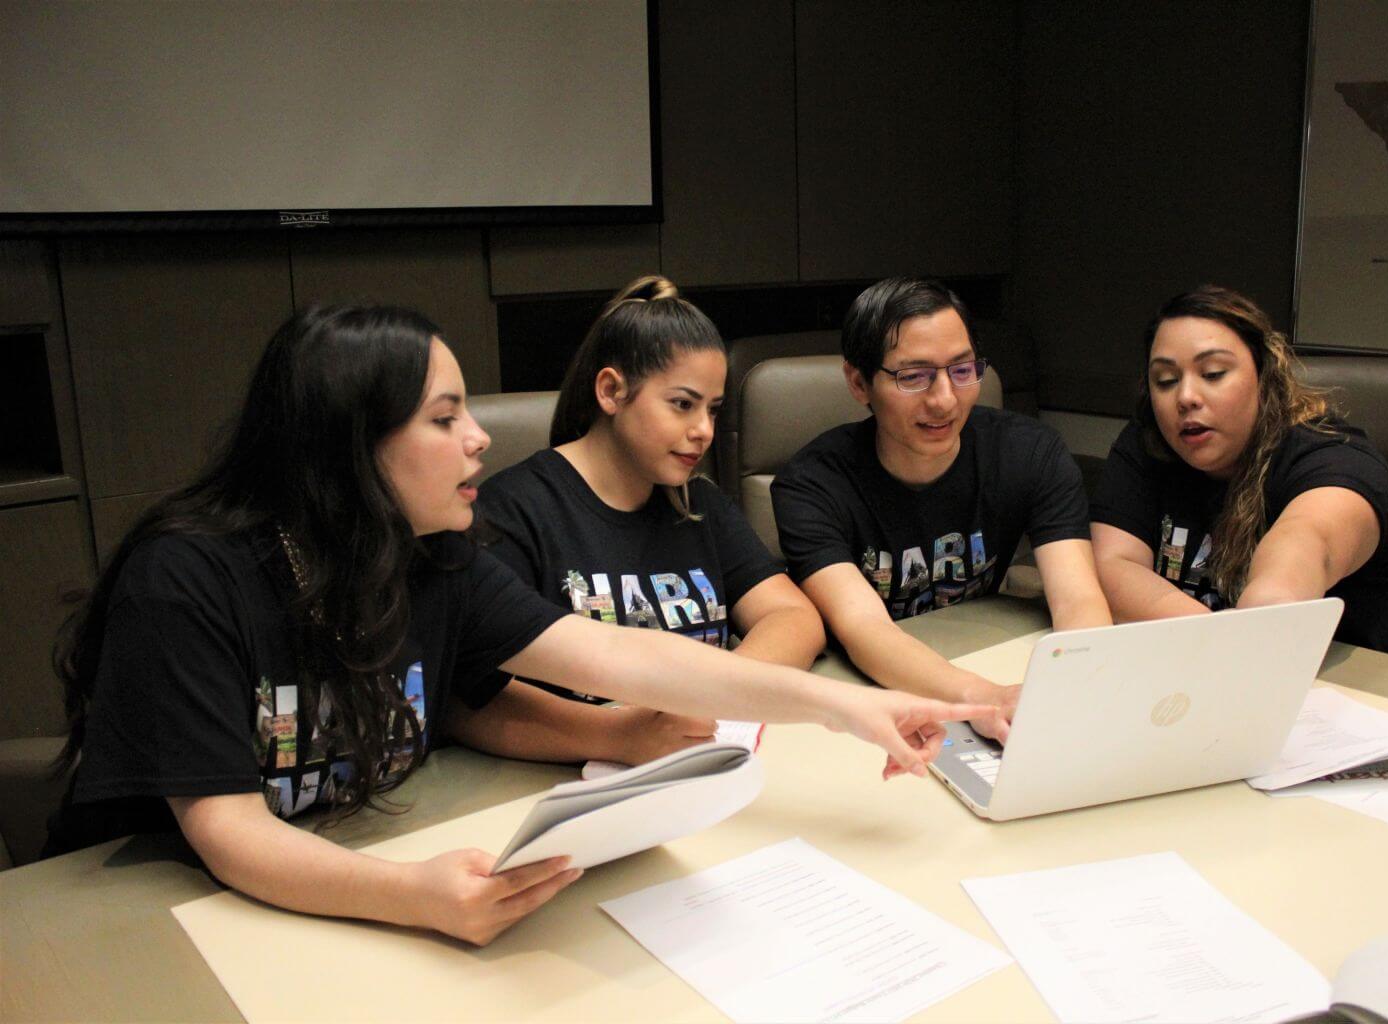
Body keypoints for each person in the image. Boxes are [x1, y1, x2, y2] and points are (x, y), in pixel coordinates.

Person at [45, 305, 995, 947]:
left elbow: (621, 654)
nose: (480, 439)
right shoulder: (188, 579)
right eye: (444, 417)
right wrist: (416, 895)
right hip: (165, 907)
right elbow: (227, 832)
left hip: (341, 863)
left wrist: (844, 710)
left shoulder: (433, 551)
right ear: (347, 446)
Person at [474, 277, 825, 765]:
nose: (703, 431)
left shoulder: (696, 501)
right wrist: (618, 734)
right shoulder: (514, 510)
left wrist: (710, 696)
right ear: (611, 391)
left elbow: (794, 617)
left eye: (713, 409)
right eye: (682, 404)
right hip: (561, 783)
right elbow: (469, 696)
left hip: (696, 766)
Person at [771, 278, 1112, 737]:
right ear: (858, 382)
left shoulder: (1030, 453)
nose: (945, 399)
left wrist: (1081, 686)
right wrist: (981, 697)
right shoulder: (812, 484)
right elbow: (865, 629)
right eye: (913, 377)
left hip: (985, 650)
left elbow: (1078, 598)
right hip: (869, 697)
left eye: (962, 369)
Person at [1090, 284, 1388, 667]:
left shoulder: (1333, 457)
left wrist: (1256, 620)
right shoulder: (1148, 442)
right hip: (1225, 670)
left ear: (1264, 377)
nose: (1185, 396)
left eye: (1213, 373)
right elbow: (1113, 564)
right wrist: (1212, 638)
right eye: (1165, 380)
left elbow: (1304, 547)